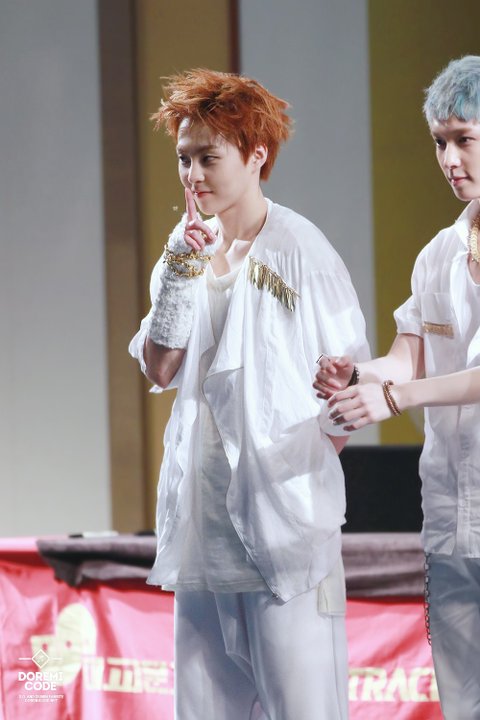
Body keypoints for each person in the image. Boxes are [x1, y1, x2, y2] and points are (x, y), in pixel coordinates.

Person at [129, 68, 369, 720]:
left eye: (208, 158)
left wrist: (298, 483)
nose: (192, 175)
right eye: (184, 159)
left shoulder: (301, 249)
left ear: (256, 154)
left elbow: (352, 386)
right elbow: (159, 367)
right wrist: (180, 272)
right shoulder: (184, 249)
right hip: (202, 539)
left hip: (284, 542)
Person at [314, 55, 480, 720]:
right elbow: (407, 360)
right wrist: (359, 376)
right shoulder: (438, 254)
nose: (449, 159)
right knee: (463, 704)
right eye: (439, 142)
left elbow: (417, 388)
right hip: (449, 523)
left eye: (464, 139)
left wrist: (398, 397)